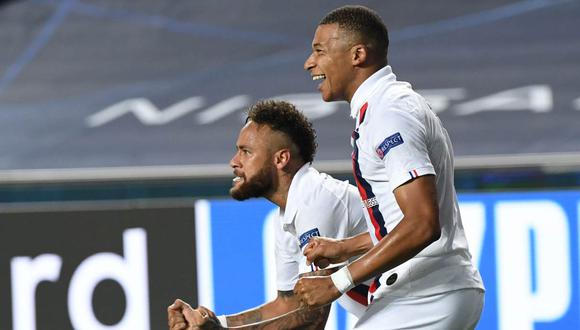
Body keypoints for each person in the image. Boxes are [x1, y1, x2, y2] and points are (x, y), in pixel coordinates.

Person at [294, 5, 485, 329]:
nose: (309, 63)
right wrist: (345, 247)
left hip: (425, 293)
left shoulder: (388, 113)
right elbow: (401, 221)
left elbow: (423, 224)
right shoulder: (385, 106)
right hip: (433, 289)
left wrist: (338, 282)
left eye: (319, 51)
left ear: (357, 55)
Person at [168, 100, 369, 330]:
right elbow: (287, 305)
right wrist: (217, 323)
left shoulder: (315, 199)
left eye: (246, 152)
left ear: (281, 159)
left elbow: (311, 320)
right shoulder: (284, 216)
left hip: (409, 304)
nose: (234, 162)